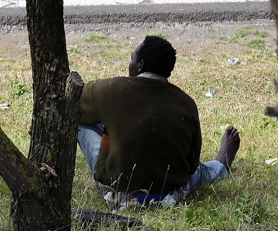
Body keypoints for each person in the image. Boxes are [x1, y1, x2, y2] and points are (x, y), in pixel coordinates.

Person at [77, 35, 240, 208]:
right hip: (170, 195)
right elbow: (192, 166)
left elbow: (74, 102)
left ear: (140, 65)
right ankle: (220, 166)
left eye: (132, 59)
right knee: (201, 171)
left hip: (117, 194)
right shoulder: (186, 103)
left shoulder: (109, 89)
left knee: (79, 118)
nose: (130, 64)